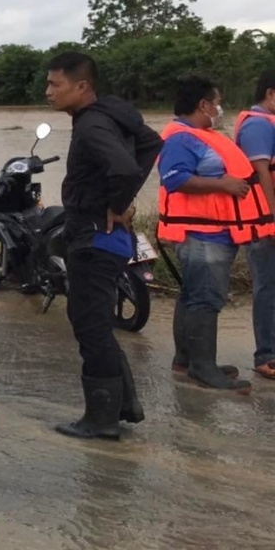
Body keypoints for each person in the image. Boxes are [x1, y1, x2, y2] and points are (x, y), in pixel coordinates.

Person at [44, 52, 162, 441]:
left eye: (55, 84)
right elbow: (150, 142)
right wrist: (121, 202)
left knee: (90, 324)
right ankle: (122, 406)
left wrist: (116, 204)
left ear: (82, 87)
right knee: (95, 323)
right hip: (106, 237)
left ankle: (101, 419)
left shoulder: (93, 126)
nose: (48, 92)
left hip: (94, 238)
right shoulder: (108, 117)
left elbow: (125, 168)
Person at [157, 75, 269, 394]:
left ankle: (186, 360)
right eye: (217, 102)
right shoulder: (181, 138)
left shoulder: (198, 134)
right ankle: (203, 368)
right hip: (203, 233)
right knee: (206, 298)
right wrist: (224, 185)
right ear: (203, 105)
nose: (220, 108)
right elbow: (174, 178)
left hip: (213, 232)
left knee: (193, 295)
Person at [233, 69, 275, 381]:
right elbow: (261, 174)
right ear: (271, 94)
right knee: (268, 288)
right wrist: (272, 218)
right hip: (266, 223)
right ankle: (267, 356)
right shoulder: (258, 125)